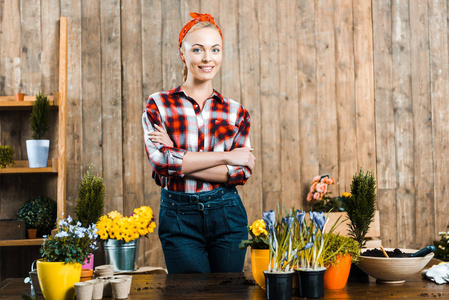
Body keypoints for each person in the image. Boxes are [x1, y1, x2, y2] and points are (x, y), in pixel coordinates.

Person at [142, 13, 255, 274]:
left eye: (215, 49)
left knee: (228, 294)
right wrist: (226, 157)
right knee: (189, 293)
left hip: (228, 214)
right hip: (178, 218)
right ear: (183, 54)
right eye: (197, 49)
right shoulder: (159, 103)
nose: (207, 58)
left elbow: (240, 173)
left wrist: (178, 156)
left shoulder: (237, 112)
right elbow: (160, 162)